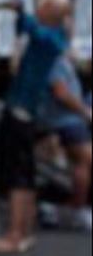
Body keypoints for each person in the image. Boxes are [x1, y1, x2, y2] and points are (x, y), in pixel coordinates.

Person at [0, 0, 74, 254]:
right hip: (25, 113)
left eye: (44, 4)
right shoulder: (50, 36)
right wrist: (18, 13)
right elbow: (25, 27)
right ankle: (24, 233)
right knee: (25, 174)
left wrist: (21, 10)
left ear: (52, 13)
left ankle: (13, 236)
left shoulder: (51, 39)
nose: (40, 7)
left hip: (21, 113)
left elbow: (32, 28)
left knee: (17, 175)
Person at [37, 52, 92, 232]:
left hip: (72, 120)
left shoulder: (66, 61)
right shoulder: (56, 60)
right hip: (66, 121)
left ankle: (72, 207)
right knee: (84, 161)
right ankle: (77, 210)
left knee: (83, 163)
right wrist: (85, 112)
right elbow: (60, 92)